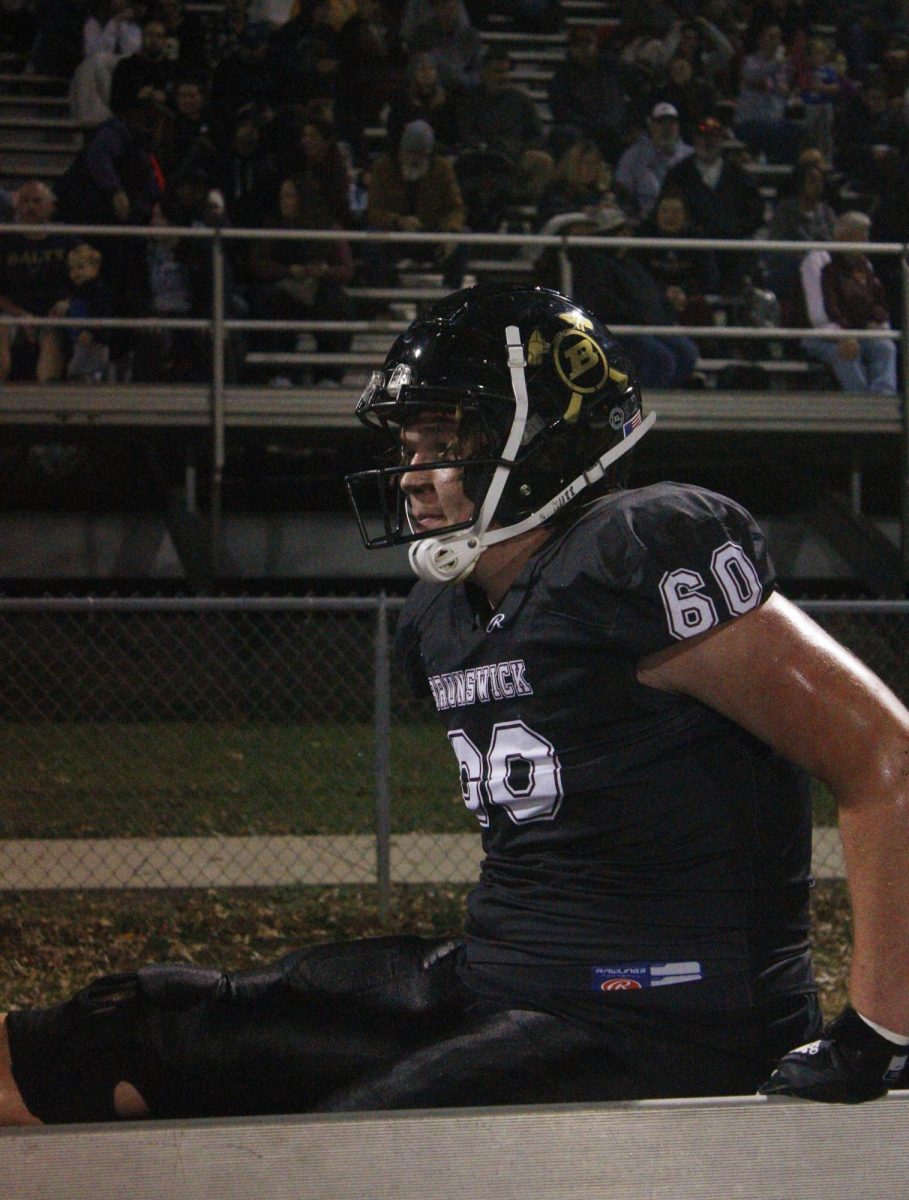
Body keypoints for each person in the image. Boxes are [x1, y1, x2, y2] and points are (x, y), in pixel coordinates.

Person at [3, 282, 908, 1126]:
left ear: (546, 435)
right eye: (409, 449)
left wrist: (878, 1032)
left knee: (349, 1154)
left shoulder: (643, 551)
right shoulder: (444, 611)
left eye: (447, 445)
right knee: (139, 1023)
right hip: (502, 981)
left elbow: (886, 759)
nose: (414, 475)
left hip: (664, 1017)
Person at [799, 210, 898, 394]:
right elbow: (818, 315)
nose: (867, 243)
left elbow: (877, 303)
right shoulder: (817, 260)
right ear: (846, 237)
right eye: (863, 237)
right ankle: (861, 406)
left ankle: (883, 401)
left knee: (885, 347)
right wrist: (842, 335)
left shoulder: (864, 264)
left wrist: (879, 325)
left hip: (858, 331)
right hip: (822, 335)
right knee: (847, 353)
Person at [363, 118, 468, 290]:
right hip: (394, 236)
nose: (416, 159)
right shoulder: (383, 168)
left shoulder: (442, 169)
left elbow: (456, 208)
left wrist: (450, 231)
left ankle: (451, 295)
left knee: (462, 237)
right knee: (372, 238)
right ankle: (381, 301)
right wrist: (397, 220)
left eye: (422, 154)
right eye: (411, 153)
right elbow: (373, 211)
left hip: (431, 236)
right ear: (401, 150)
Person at [0, 180, 72, 384]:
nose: (30, 207)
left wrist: (66, 303)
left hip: (52, 312)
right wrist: (20, 315)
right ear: (16, 206)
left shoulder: (65, 238)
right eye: (24, 201)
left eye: (37, 201)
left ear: (50, 206)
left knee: (52, 337)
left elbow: (83, 281)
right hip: (12, 312)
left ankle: (46, 402)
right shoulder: (5, 239)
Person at [615, 102, 693, 223]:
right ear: (651, 124)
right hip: (643, 220)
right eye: (661, 122)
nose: (666, 128)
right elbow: (623, 191)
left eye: (671, 122)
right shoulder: (632, 156)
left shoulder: (690, 156)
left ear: (678, 125)